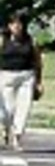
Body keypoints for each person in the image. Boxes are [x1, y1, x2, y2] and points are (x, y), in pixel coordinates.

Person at [0, 12, 43, 150]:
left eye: (19, 24)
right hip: (7, 76)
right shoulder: (2, 40)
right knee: (6, 111)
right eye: (13, 24)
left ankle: (17, 138)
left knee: (24, 109)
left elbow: (38, 61)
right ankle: (6, 129)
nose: (17, 27)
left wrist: (39, 81)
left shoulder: (31, 41)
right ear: (9, 26)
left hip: (26, 76)